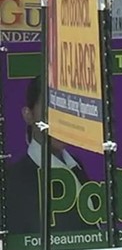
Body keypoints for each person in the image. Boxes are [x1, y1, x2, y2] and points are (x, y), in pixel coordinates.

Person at [5, 74, 96, 235]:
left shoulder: (76, 164)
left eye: (67, 107)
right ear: (28, 114)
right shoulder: (14, 180)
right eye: (50, 108)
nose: (60, 119)